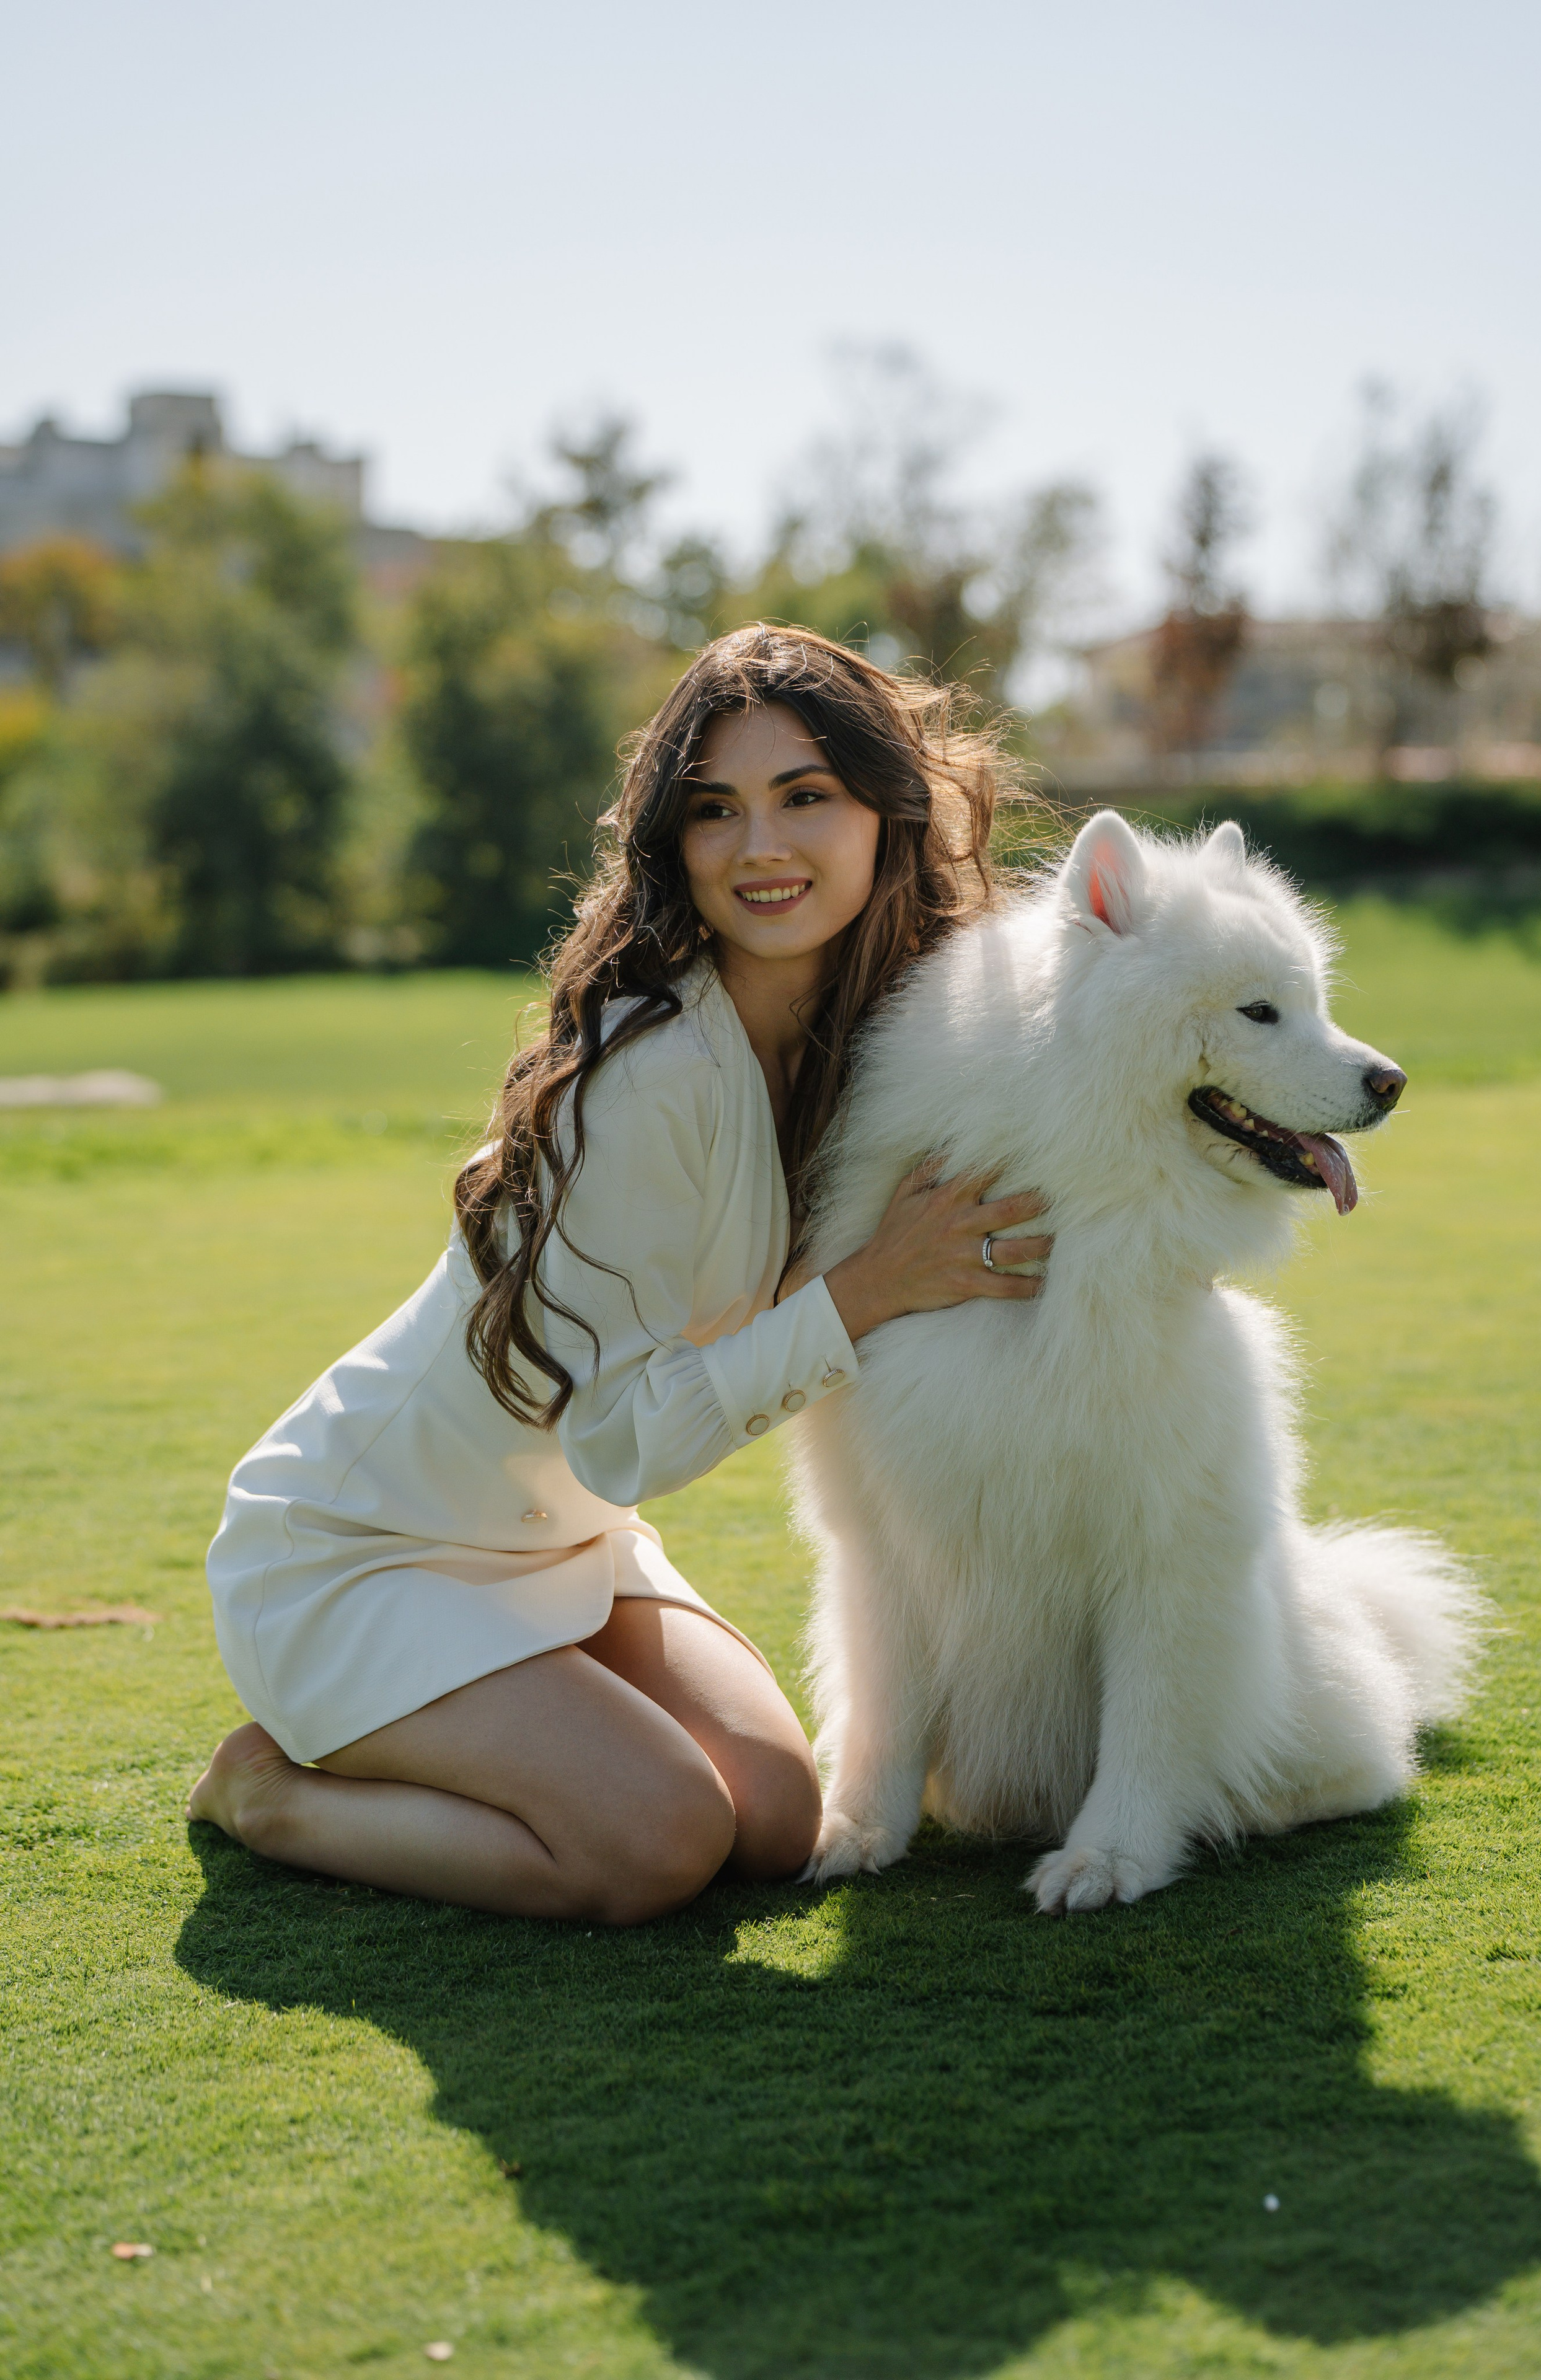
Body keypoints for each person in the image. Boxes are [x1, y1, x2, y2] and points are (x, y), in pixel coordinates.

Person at [188, 625, 1051, 1924]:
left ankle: (509, 1722)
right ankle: (270, 1795)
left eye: (802, 797)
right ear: (673, 845)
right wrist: (867, 1288)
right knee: (655, 1843)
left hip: (569, 1548)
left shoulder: (873, 1036)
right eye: (714, 812)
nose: (759, 848)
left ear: (886, 812)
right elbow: (617, 1441)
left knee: (771, 1825)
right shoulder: (649, 1071)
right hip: (364, 1551)